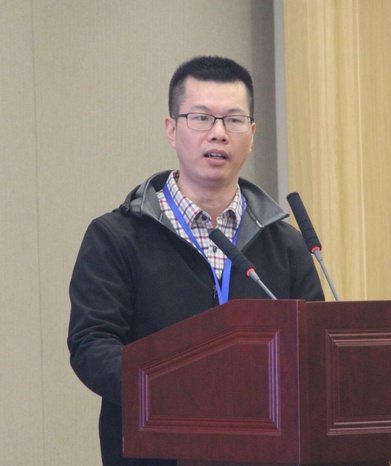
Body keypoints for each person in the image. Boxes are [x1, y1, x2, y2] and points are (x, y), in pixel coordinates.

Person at [67, 56, 324, 466]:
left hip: (264, 451)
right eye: (201, 118)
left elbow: (312, 351)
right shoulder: (117, 237)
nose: (218, 133)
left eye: (234, 120)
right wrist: (177, 393)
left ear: (252, 134)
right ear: (172, 129)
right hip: (156, 451)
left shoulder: (286, 245)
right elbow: (92, 345)